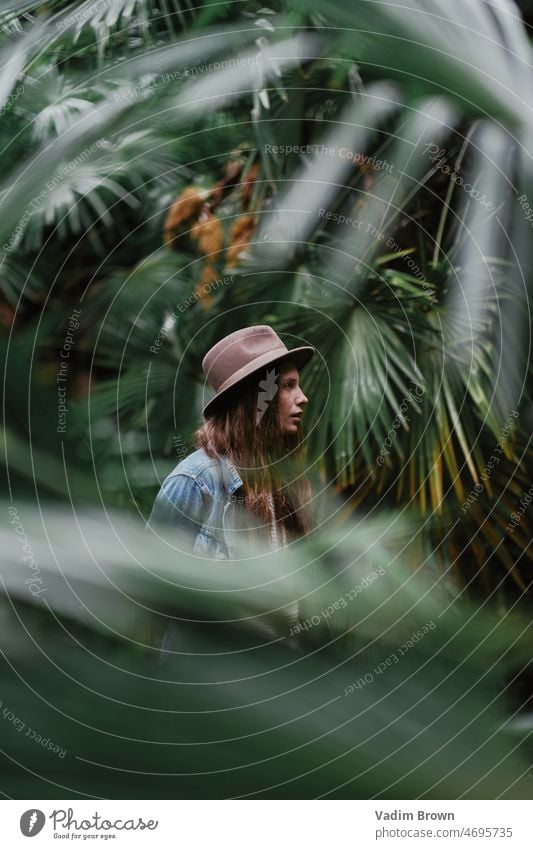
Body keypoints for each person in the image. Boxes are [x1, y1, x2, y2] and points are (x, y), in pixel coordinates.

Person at [147, 324, 315, 559]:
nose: (303, 397)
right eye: (288, 385)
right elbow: (154, 580)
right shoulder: (196, 481)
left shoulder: (280, 478)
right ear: (256, 399)